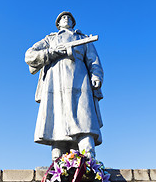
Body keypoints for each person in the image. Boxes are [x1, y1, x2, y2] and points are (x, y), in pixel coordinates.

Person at [25, 11, 104, 160]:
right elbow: (29, 54)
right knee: (57, 123)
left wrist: (96, 76)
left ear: (73, 23)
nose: (66, 19)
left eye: (69, 17)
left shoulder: (83, 39)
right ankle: (57, 163)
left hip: (80, 83)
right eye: (62, 18)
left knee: (84, 120)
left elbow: (94, 61)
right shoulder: (50, 39)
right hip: (55, 84)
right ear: (58, 24)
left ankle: (90, 162)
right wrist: (51, 52)